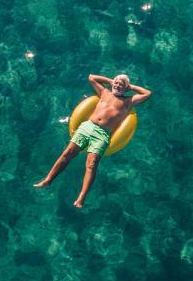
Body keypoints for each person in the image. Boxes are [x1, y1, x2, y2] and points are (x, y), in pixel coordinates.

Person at [34, 74, 152, 208]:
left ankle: (81, 198)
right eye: (116, 83)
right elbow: (91, 78)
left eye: (121, 84)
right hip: (87, 126)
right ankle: (48, 180)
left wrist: (130, 86)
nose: (118, 85)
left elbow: (147, 93)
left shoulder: (129, 101)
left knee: (91, 164)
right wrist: (111, 81)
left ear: (126, 88)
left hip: (102, 134)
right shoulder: (104, 92)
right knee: (67, 153)